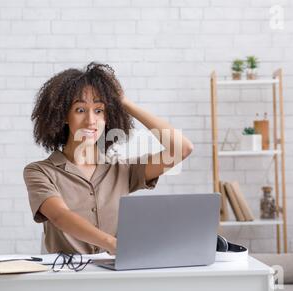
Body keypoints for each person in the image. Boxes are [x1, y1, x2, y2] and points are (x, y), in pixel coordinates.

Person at [23, 62, 194, 255]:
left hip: (116, 273)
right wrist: (112, 244)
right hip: (66, 276)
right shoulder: (40, 171)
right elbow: (60, 216)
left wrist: (125, 103)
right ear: (63, 116)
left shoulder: (122, 169)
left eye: (99, 110)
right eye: (80, 110)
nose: (91, 120)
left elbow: (183, 148)